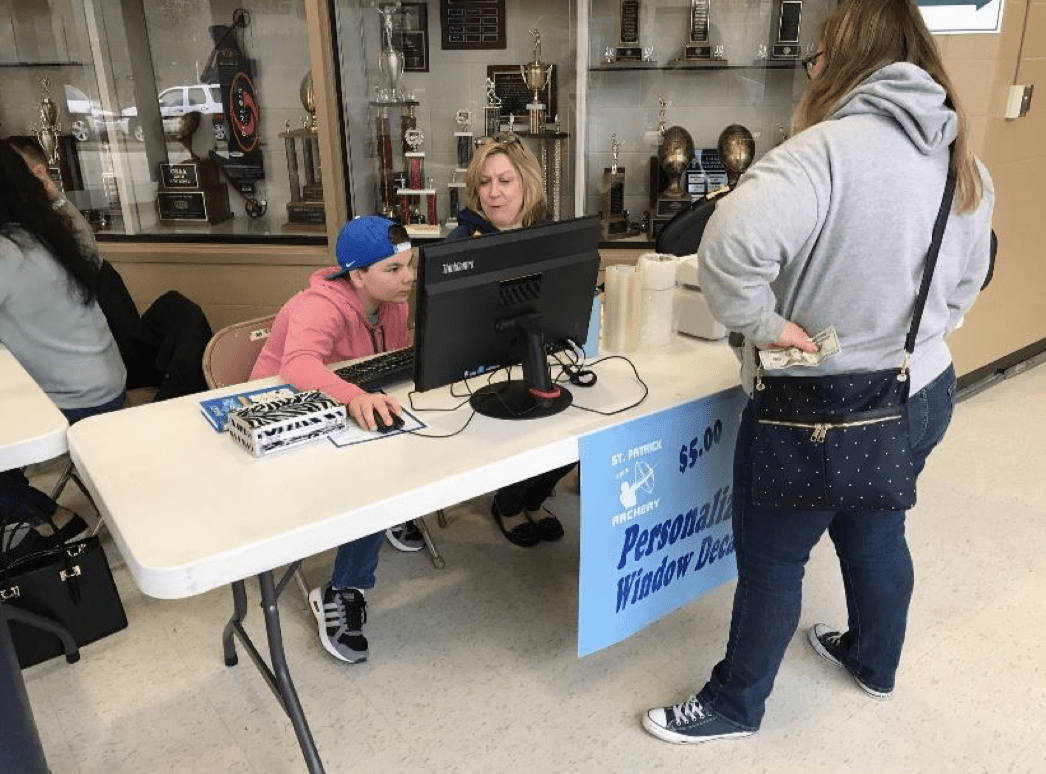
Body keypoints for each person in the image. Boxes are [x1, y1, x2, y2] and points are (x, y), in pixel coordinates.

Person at [641, 0, 994, 745]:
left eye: (816, 57)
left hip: (820, 406)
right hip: (923, 390)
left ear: (840, 58)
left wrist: (770, 330)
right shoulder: (959, 152)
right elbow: (972, 274)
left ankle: (736, 705)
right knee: (876, 533)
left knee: (773, 559)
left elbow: (726, 252)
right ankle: (873, 661)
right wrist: (922, 332)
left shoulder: (824, 152)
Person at [250, 214, 420, 663]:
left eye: (410, 265)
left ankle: (393, 512)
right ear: (358, 274)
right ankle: (343, 587)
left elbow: (393, 360)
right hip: (287, 414)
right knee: (375, 483)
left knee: (407, 433)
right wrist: (354, 397)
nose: (409, 278)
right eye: (395, 269)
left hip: (342, 404)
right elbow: (298, 367)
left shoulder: (392, 301)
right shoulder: (318, 306)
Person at [0, 139, 126, 561]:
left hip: (69, 404)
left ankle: (51, 517)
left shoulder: (6, 251)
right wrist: (55, 198)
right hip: (107, 386)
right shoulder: (55, 233)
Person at [446, 132, 573, 548]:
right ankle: (509, 504)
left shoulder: (549, 236)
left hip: (544, 356)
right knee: (524, 424)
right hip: (481, 368)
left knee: (581, 428)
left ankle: (535, 496)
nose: (494, 193)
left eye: (505, 180)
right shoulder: (461, 244)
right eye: (485, 183)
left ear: (527, 183)